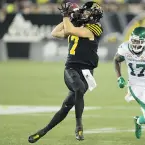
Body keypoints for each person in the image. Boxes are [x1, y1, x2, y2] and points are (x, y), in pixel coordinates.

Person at [28, 1, 103, 143]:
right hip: (71, 69)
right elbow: (55, 33)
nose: (83, 13)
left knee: (67, 106)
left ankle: (43, 131)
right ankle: (79, 126)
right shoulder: (75, 24)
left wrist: (67, 17)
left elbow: (70, 31)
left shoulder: (95, 28)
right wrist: (68, 18)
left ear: (94, 15)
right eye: (83, 11)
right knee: (78, 89)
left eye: (87, 12)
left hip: (87, 74)